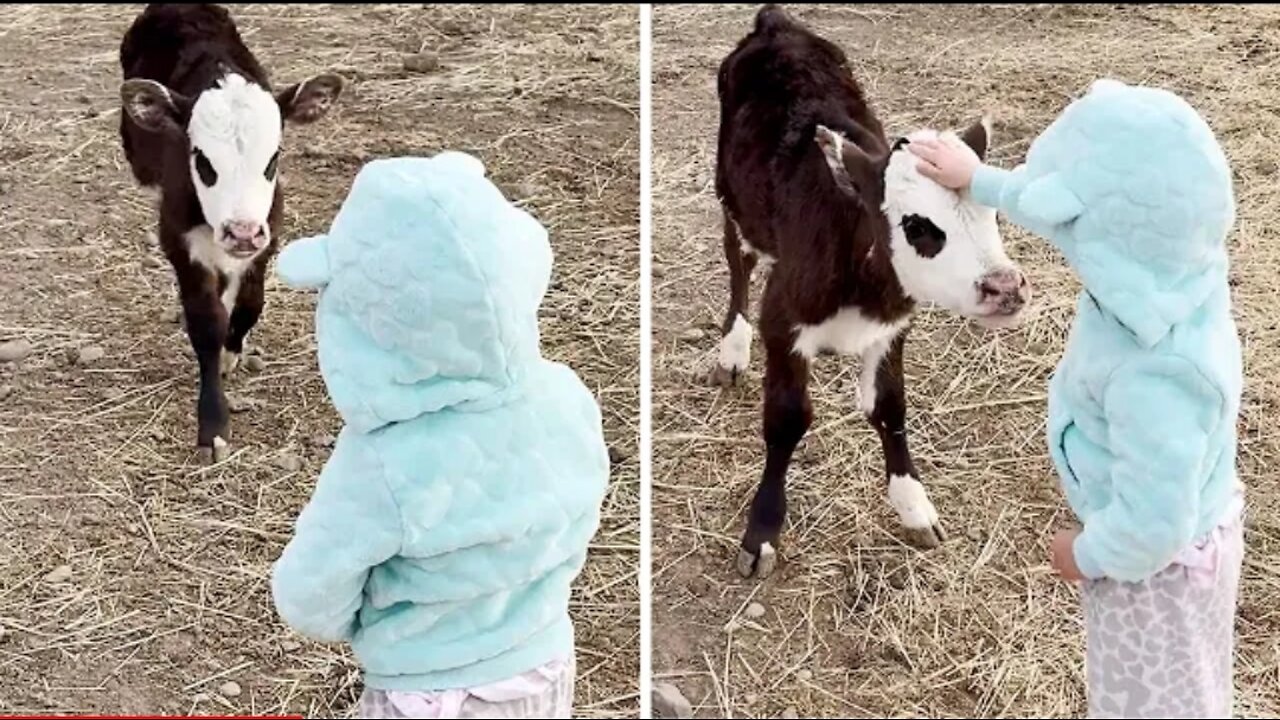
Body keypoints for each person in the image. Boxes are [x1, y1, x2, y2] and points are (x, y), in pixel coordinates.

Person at [910, 78, 1244, 719]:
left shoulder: (1157, 378)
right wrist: (978, 178)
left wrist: (1085, 554)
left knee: (1152, 702)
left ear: (1101, 238)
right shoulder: (1174, 261)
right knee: (1187, 683)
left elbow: (1155, 525)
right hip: (1173, 536)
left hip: (1154, 576)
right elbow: (1070, 205)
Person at [269, 152, 610, 719]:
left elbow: (310, 594)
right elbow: (582, 510)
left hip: (425, 693)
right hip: (543, 663)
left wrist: (372, 622)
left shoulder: (382, 460)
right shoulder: (566, 397)